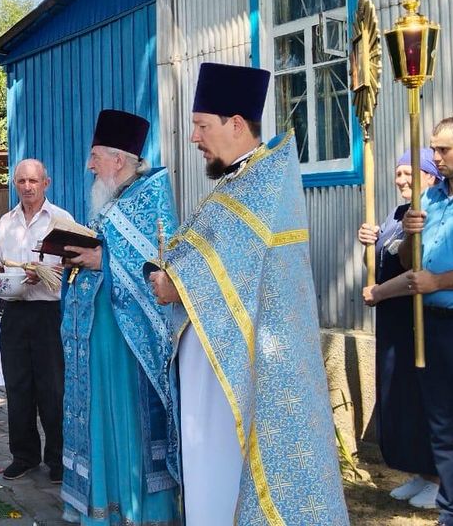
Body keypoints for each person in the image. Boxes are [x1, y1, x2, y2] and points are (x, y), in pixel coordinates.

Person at [149, 62, 349, 525]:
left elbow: (232, 263)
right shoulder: (236, 183)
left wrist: (174, 282)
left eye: (201, 126)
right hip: (213, 365)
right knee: (209, 473)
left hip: (243, 368)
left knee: (225, 470)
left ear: (235, 124)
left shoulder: (263, 182)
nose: (194, 138)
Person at [59, 110, 180, 524]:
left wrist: (102, 259)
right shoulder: (110, 200)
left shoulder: (150, 197)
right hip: (98, 337)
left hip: (131, 345)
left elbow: (158, 265)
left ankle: (139, 513)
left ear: (118, 159)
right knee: (100, 419)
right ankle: (104, 508)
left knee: (128, 423)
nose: (89, 165)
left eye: (95, 156)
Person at [398, 117, 453, 526]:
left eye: (443, 150)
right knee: (445, 428)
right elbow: (409, 264)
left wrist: (438, 281)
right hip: (430, 324)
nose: (435, 158)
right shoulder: (429, 199)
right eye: (432, 149)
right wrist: (408, 233)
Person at [0, 159, 72, 482]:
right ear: (14, 184)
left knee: (52, 388)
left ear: (46, 183)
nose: (28, 187)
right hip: (14, 312)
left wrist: (45, 275)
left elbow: (73, 270)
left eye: (33, 181)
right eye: (21, 181)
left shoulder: (61, 221)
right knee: (18, 388)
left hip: (49, 314)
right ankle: (24, 455)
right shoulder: (5, 223)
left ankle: (58, 460)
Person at [358, 149, 441, 509]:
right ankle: (418, 472)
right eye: (400, 173)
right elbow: (376, 264)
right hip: (391, 321)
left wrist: (378, 292)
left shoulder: (428, 214)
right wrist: (367, 244)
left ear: (431, 177)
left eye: (412, 173)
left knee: (424, 396)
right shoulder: (395, 215)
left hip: (417, 319)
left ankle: (439, 479)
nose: (403, 180)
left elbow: (415, 274)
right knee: (401, 395)